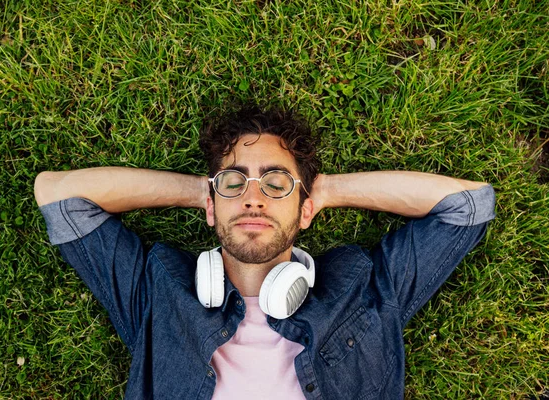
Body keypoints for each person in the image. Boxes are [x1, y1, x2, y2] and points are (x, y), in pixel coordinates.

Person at [34, 107, 496, 399]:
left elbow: (469, 207)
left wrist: (326, 190)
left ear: (306, 209)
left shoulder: (365, 289)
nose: (254, 199)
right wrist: (203, 190)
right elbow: (59, 196)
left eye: (276, 184)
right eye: (236, 183)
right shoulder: (159, 294)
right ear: (211, 209)